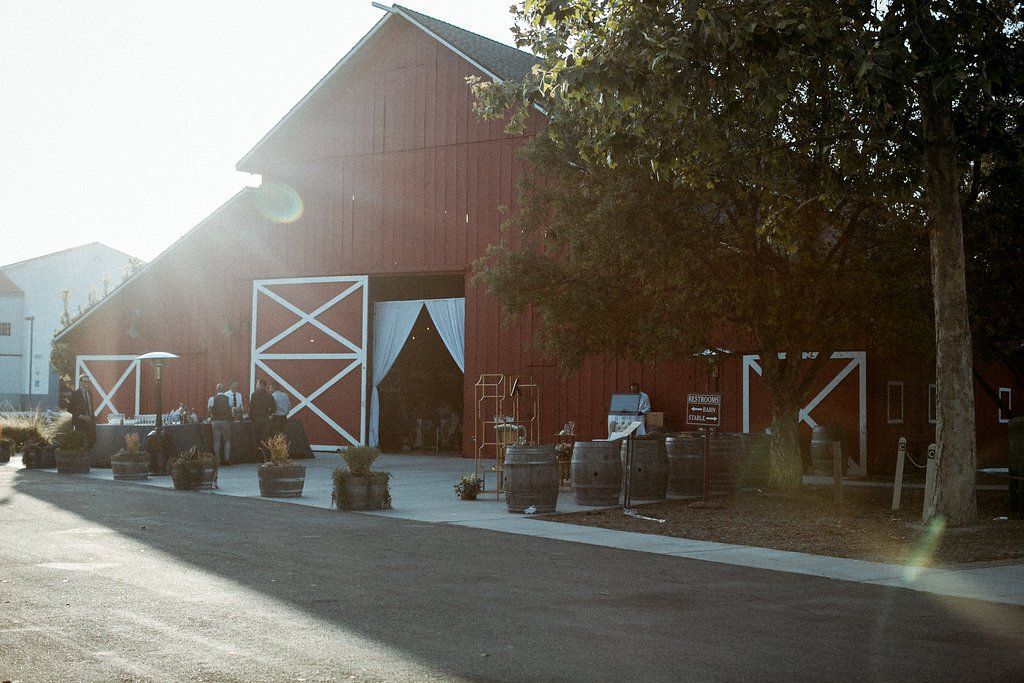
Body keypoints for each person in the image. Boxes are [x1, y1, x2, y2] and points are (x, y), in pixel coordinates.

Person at [67, 375, 97, 447]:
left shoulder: (90, 393)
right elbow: (70, 409)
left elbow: (90, 407)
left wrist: (92, 417)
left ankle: (87, 456)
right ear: (81, 382)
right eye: (85, 381)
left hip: (90, 421)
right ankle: (81, 457)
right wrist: (81, 416)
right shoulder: (75, 394)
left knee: (92, 440)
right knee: (80, 443)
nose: (87, 383)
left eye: (88, 382)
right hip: (80, 422)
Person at [249, 378, 276, 451]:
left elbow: (251, 407)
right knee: (265, 438)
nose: (256, 385)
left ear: (260, 385)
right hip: (266, 419)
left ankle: (255, 456)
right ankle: (264, 456)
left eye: (257, 384)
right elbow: (274, 408)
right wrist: (269, 414)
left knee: (255, 438)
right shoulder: (270, 395)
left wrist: (251, 417)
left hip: (256, 419)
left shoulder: (254, 395)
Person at [208, 382, 233, 464]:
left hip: (215, 421)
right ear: (224, 389)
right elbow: (231, 408)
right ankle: (227, 458)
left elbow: (210, 410)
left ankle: (217, 459)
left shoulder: (212, 399)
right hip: (225, 421)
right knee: (227, 440)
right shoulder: (228, 398)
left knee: (216, 440)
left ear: (217, 389)